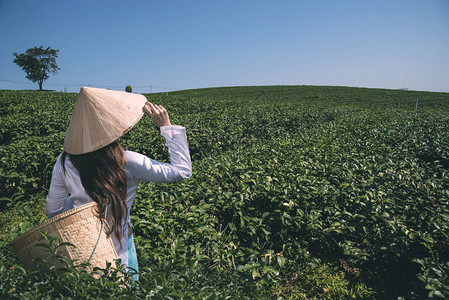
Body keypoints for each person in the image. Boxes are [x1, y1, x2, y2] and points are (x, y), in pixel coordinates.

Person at [46, 87, 192, 281]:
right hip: (119, 245)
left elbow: (53, 211)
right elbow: (181, 171)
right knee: (124, 288)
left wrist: (81, 208)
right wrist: (166, 127)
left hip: (81, 249)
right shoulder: (126, 161)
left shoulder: (64, 161)